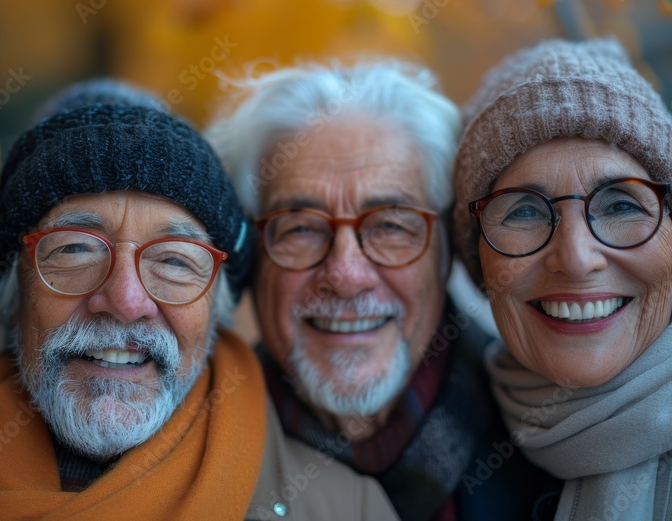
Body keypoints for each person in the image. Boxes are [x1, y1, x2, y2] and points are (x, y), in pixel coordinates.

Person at [0, 82, 398, 520]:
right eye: (76, 250)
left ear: (217, 310)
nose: (126, 301)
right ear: (12, 295)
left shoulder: (351, 509)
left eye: (174, 260)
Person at [206, 60, 556, 520]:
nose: (346, 275)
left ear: (446, 248)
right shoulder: (198, 456)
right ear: (253, 252)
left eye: (391, 225)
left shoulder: (554, 441)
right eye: (301, 229)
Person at [453, 37, 672, 520]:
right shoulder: (464, 449)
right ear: (483, 270)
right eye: (524, 211)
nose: (578, 259)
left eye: (622, 205)